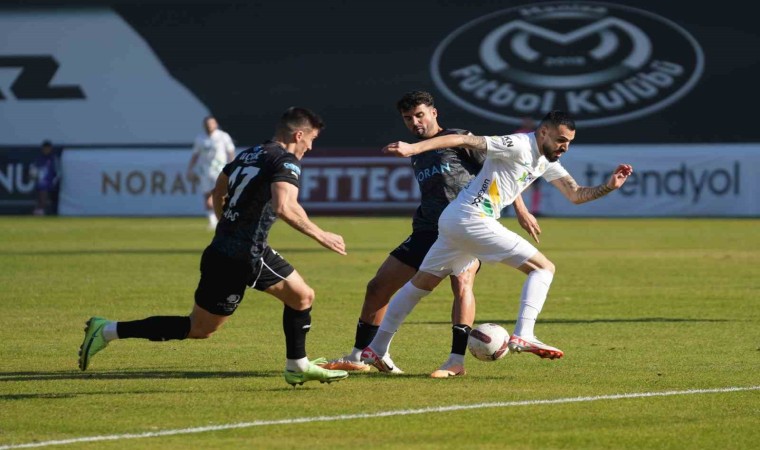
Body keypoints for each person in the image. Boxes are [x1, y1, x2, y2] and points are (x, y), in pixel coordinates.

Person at [79, 107, 350, 387]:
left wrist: (228, 225)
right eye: (312, 139)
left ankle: (107, 330)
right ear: (299, 135)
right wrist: (321, 235)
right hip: (247, 254)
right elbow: (285, 206)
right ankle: (297, 366)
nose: (311, 147)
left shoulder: (249, 154)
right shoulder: (286, 161)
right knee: (299, 298)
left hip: (223, 248)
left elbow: (217, 191)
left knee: (201, 327)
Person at [362, 110, 633, 371]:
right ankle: (524, 334)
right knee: (543, 268)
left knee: (420, 285)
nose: (565, 147)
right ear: (544, 132)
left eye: (569, 142)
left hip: (455, 219)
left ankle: (376, 348)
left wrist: (608, 187)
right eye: (561, 140)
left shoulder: (547, 160)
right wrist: (413, 148)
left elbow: (575, 194)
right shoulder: (518, 144)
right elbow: (462, 139)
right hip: (473, 218)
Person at [320, 91, 540, 378]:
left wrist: (521, 210)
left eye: (419, 115)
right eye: (408, 118)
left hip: (466, 225)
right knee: (378, 287)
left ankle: (455, 361)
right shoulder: (415, 150)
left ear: (434, 113)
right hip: (426, 229)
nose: (415, 122)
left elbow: (500, 169)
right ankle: (360, 355)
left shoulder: (459, 139)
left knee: (462, 285)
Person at [187, 115, 236, 230]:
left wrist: (233, 166)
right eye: (207, 124)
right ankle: (212, 221)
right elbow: (195, 155)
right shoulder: (200, 138)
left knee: (222, 194)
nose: (209, 126)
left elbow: (230, 152)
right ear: (204, 125)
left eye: (211, 124)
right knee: (207, 196)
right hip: (205, 171)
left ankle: (226, 219)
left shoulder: (223, 136)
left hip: (220, 170)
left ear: (215, 124)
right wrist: (190, 169)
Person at [30, 140, 61, 216]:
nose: (46, 150)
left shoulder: (53, 159)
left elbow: (58, 172)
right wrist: (33, 175)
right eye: (45, 148)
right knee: (40, 193)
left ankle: (42, 210)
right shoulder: (39, 159)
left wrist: (54, 181)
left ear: (50, 149)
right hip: (40, 182)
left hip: (51, 183)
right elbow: (33, 170)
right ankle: (39, 210)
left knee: (45, 192)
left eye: (48, 148)